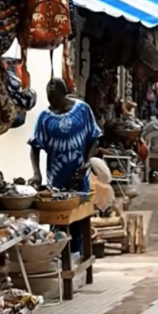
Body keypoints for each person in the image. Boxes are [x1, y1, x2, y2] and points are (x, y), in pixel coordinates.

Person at [28, 78, 102, 256]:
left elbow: (94, 139)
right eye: (50, 99)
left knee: (79, 219)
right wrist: (36, 174)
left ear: (65, 93)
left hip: (79, 177)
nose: (53, 103)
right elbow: (35, 147)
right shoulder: (44, 118)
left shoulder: (82, 110)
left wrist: (87, 162)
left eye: (56, 99)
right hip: (56, 180)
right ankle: (60, 256)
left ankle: (78, 255)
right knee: (58, 221)